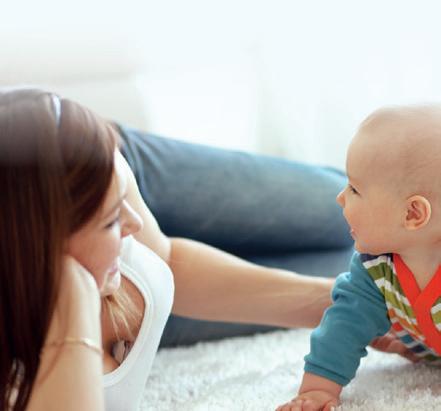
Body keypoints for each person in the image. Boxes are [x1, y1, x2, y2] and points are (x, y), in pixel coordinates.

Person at [1, 89, 404, 411]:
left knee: (370, 215)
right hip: (36, 207)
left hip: (67, 153)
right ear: (38, 250)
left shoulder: (106, 177)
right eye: (110, 222)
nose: (134, 225)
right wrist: (70, 300)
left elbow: (166, 260)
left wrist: (345, 305)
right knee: (367, 258)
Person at [277, 105, 441, 411]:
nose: (340, 197)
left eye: (354, 189)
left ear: (412, 214)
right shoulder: (374, 268)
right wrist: (318, 390)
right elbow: (344, 326)